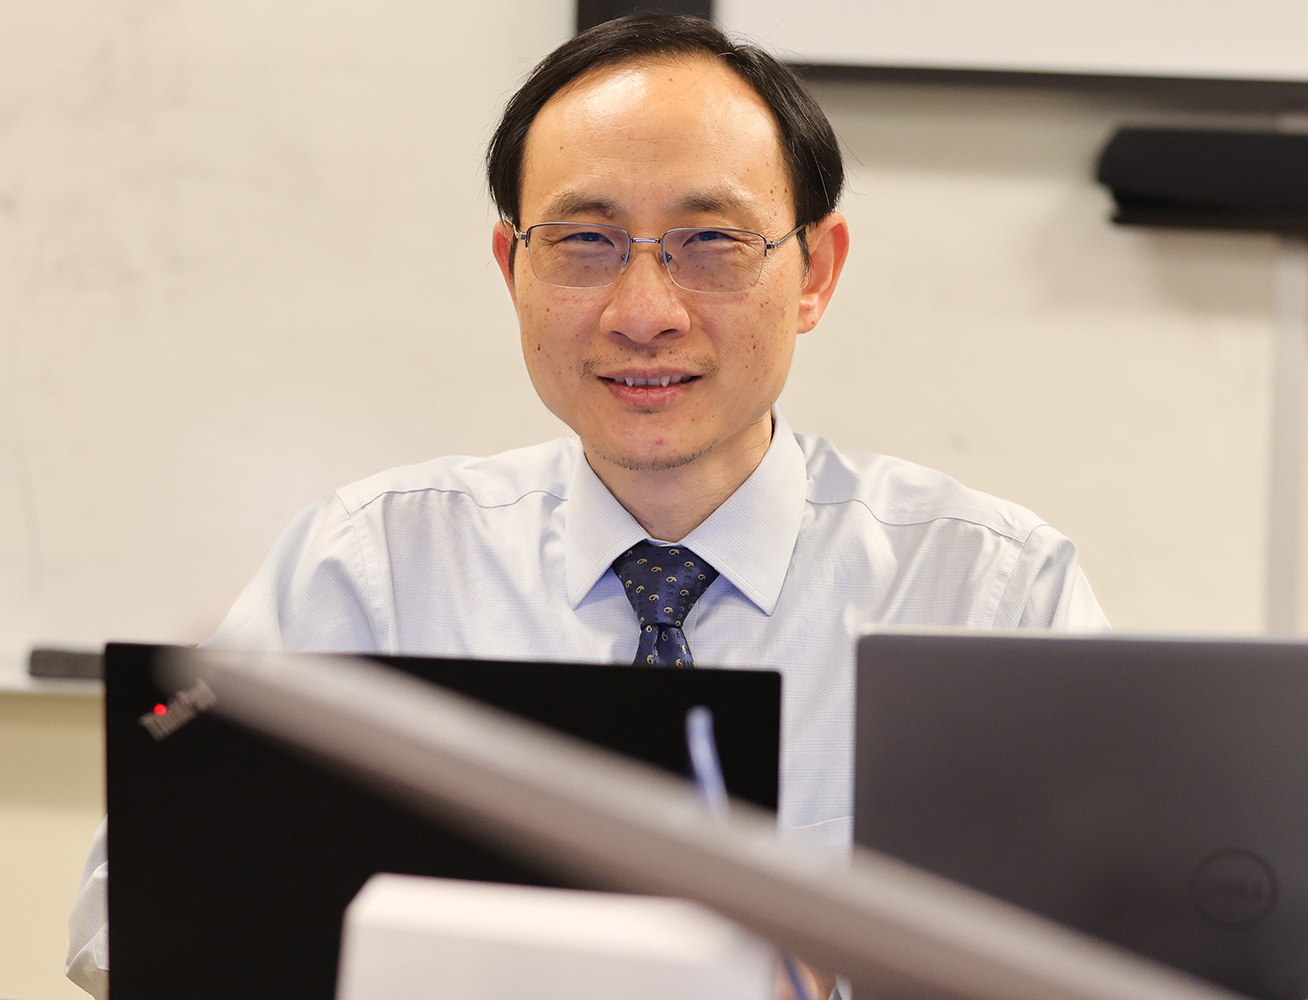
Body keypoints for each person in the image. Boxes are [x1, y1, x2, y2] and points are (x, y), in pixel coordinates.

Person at [66, 13, 1105, 997]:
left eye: (710, 241)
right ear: (510, 267)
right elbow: (136, 921)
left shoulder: (990, 589)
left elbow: (1115, 950)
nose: (644, 313)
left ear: (814, 274)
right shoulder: (371, 565)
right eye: (584, 243)